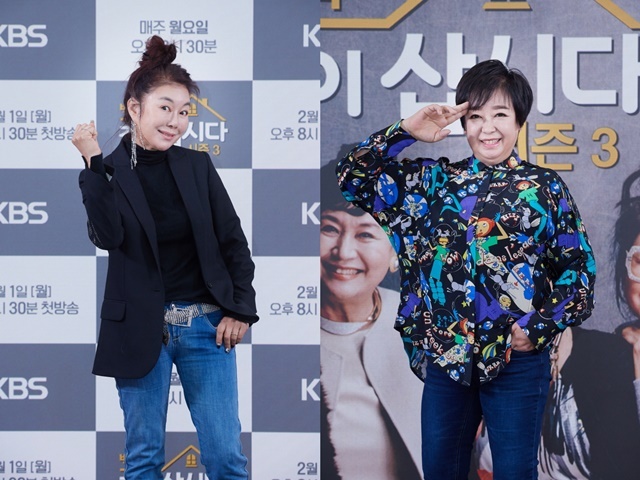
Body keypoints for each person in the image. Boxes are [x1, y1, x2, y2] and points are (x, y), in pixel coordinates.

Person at [336, 59, 596, 480]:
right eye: (475, 117)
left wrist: (536, 328)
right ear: (463, 123)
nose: (487, 128)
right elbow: (353, 175)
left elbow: (579, 270)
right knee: (442, 470)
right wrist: (406, 131)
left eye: (500, 115)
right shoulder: (435, 183)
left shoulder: (544, 188)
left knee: (514, 473)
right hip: (448, 358)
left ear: (519, 121)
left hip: (516, 359)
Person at [71, 36, 257, 479]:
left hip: (207, 328)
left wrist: (240, 309)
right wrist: (93, 162)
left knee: (225, 457)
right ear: (135, 109)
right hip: (139, 329)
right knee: (143, 458)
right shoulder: (106, 172)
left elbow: (232, 242)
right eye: (166, 108)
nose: (176, 122)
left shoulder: (196, 166)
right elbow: (108, 236)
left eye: (185, 111)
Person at [320, 161, 423, 479]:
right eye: (329, 229)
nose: (344, 252)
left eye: (365, 234)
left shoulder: (423, 322)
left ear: (396, 252)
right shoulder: (279, 333)